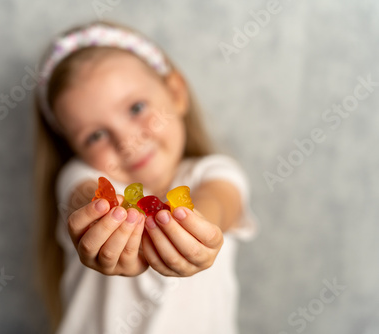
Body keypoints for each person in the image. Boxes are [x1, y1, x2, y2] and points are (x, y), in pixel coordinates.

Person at [32, 20, 257, 334]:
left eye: (136, 107)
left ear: (176, 93)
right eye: (95, 135)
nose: (126, 142)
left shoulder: (216, 172)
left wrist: (197, 230)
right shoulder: (79, 174)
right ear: (71, 146)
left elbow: (217, 204)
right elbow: (82, 196)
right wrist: (101, 216)